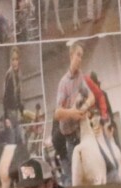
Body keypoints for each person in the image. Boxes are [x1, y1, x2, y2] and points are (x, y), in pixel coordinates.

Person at [51, 42, 89, 180]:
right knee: (71, 177)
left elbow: (89, 95)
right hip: (64, 141)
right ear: (71, 56)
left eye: (82, 56)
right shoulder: (63, 84)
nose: (80, 59)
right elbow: (58, 113)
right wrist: (72, 113)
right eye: (78, 55)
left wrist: (84, 107)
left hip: (75, 135)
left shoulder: (80, 77)